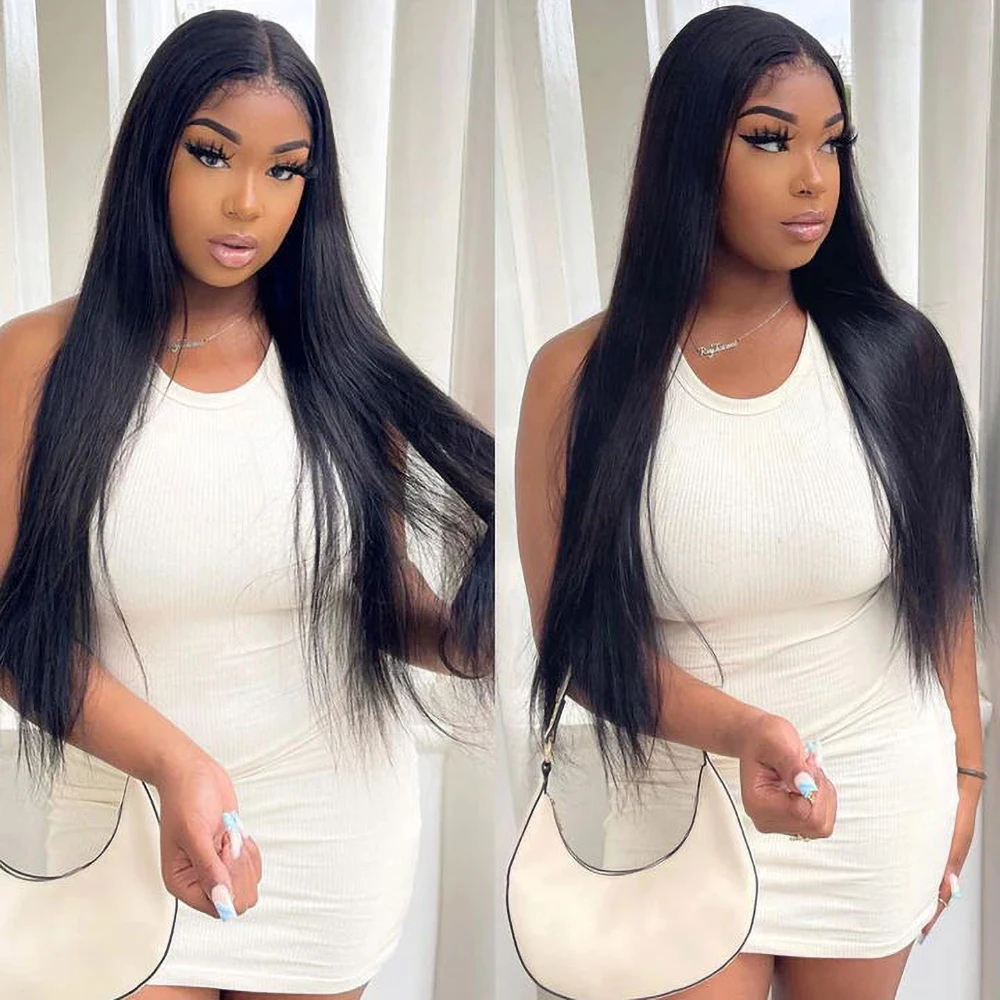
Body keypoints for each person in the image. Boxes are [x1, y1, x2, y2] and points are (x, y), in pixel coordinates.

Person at [0, 10, 492, 1000]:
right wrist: (176, 763)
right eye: (212, 154)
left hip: (327, 836)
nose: (246, 202)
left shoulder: (344, 371)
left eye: (285, 169)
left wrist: (467, 638)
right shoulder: (35, 362)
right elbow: (13, 636)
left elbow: (377, 599)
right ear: (153, 153)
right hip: (117, 826)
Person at [514, 8, 983, 1000]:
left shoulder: (898, 355)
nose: (813, 178)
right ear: (690, 153)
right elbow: (580, 647)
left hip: (872, 802)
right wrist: (743, 731)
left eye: (831, 143)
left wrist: (968, 776)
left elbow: (942, 590)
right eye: (770, 141)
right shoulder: (578, 377)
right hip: (679, 814)